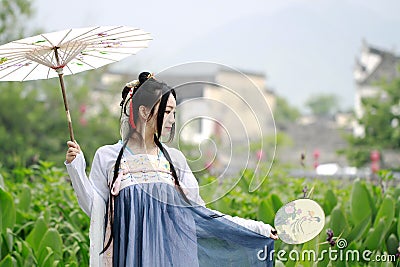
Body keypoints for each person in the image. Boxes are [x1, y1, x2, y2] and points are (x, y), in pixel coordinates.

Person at [65, 72, 277, 267]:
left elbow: (200, 215)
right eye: (167, 111)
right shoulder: (109, 156)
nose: (173, 120)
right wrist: (76, 169)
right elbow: (96, 211)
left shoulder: (174, 160)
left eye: (174, 112)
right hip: (126, 258)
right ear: (144, 111)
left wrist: (257, 229)